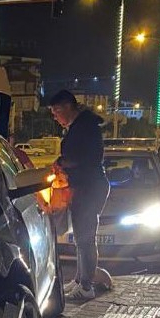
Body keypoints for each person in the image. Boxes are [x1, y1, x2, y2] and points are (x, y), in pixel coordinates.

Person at [48, 89, 110, 300]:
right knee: (80, 239)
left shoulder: (86, 127)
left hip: (89, 187)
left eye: (56, 111)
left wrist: (62, 163)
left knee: (85, 238)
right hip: (83, 187)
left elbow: (87, 158)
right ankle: (78, 279)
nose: (55, 117)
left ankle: (86, 286)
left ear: (67, 107)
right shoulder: (80, 126)